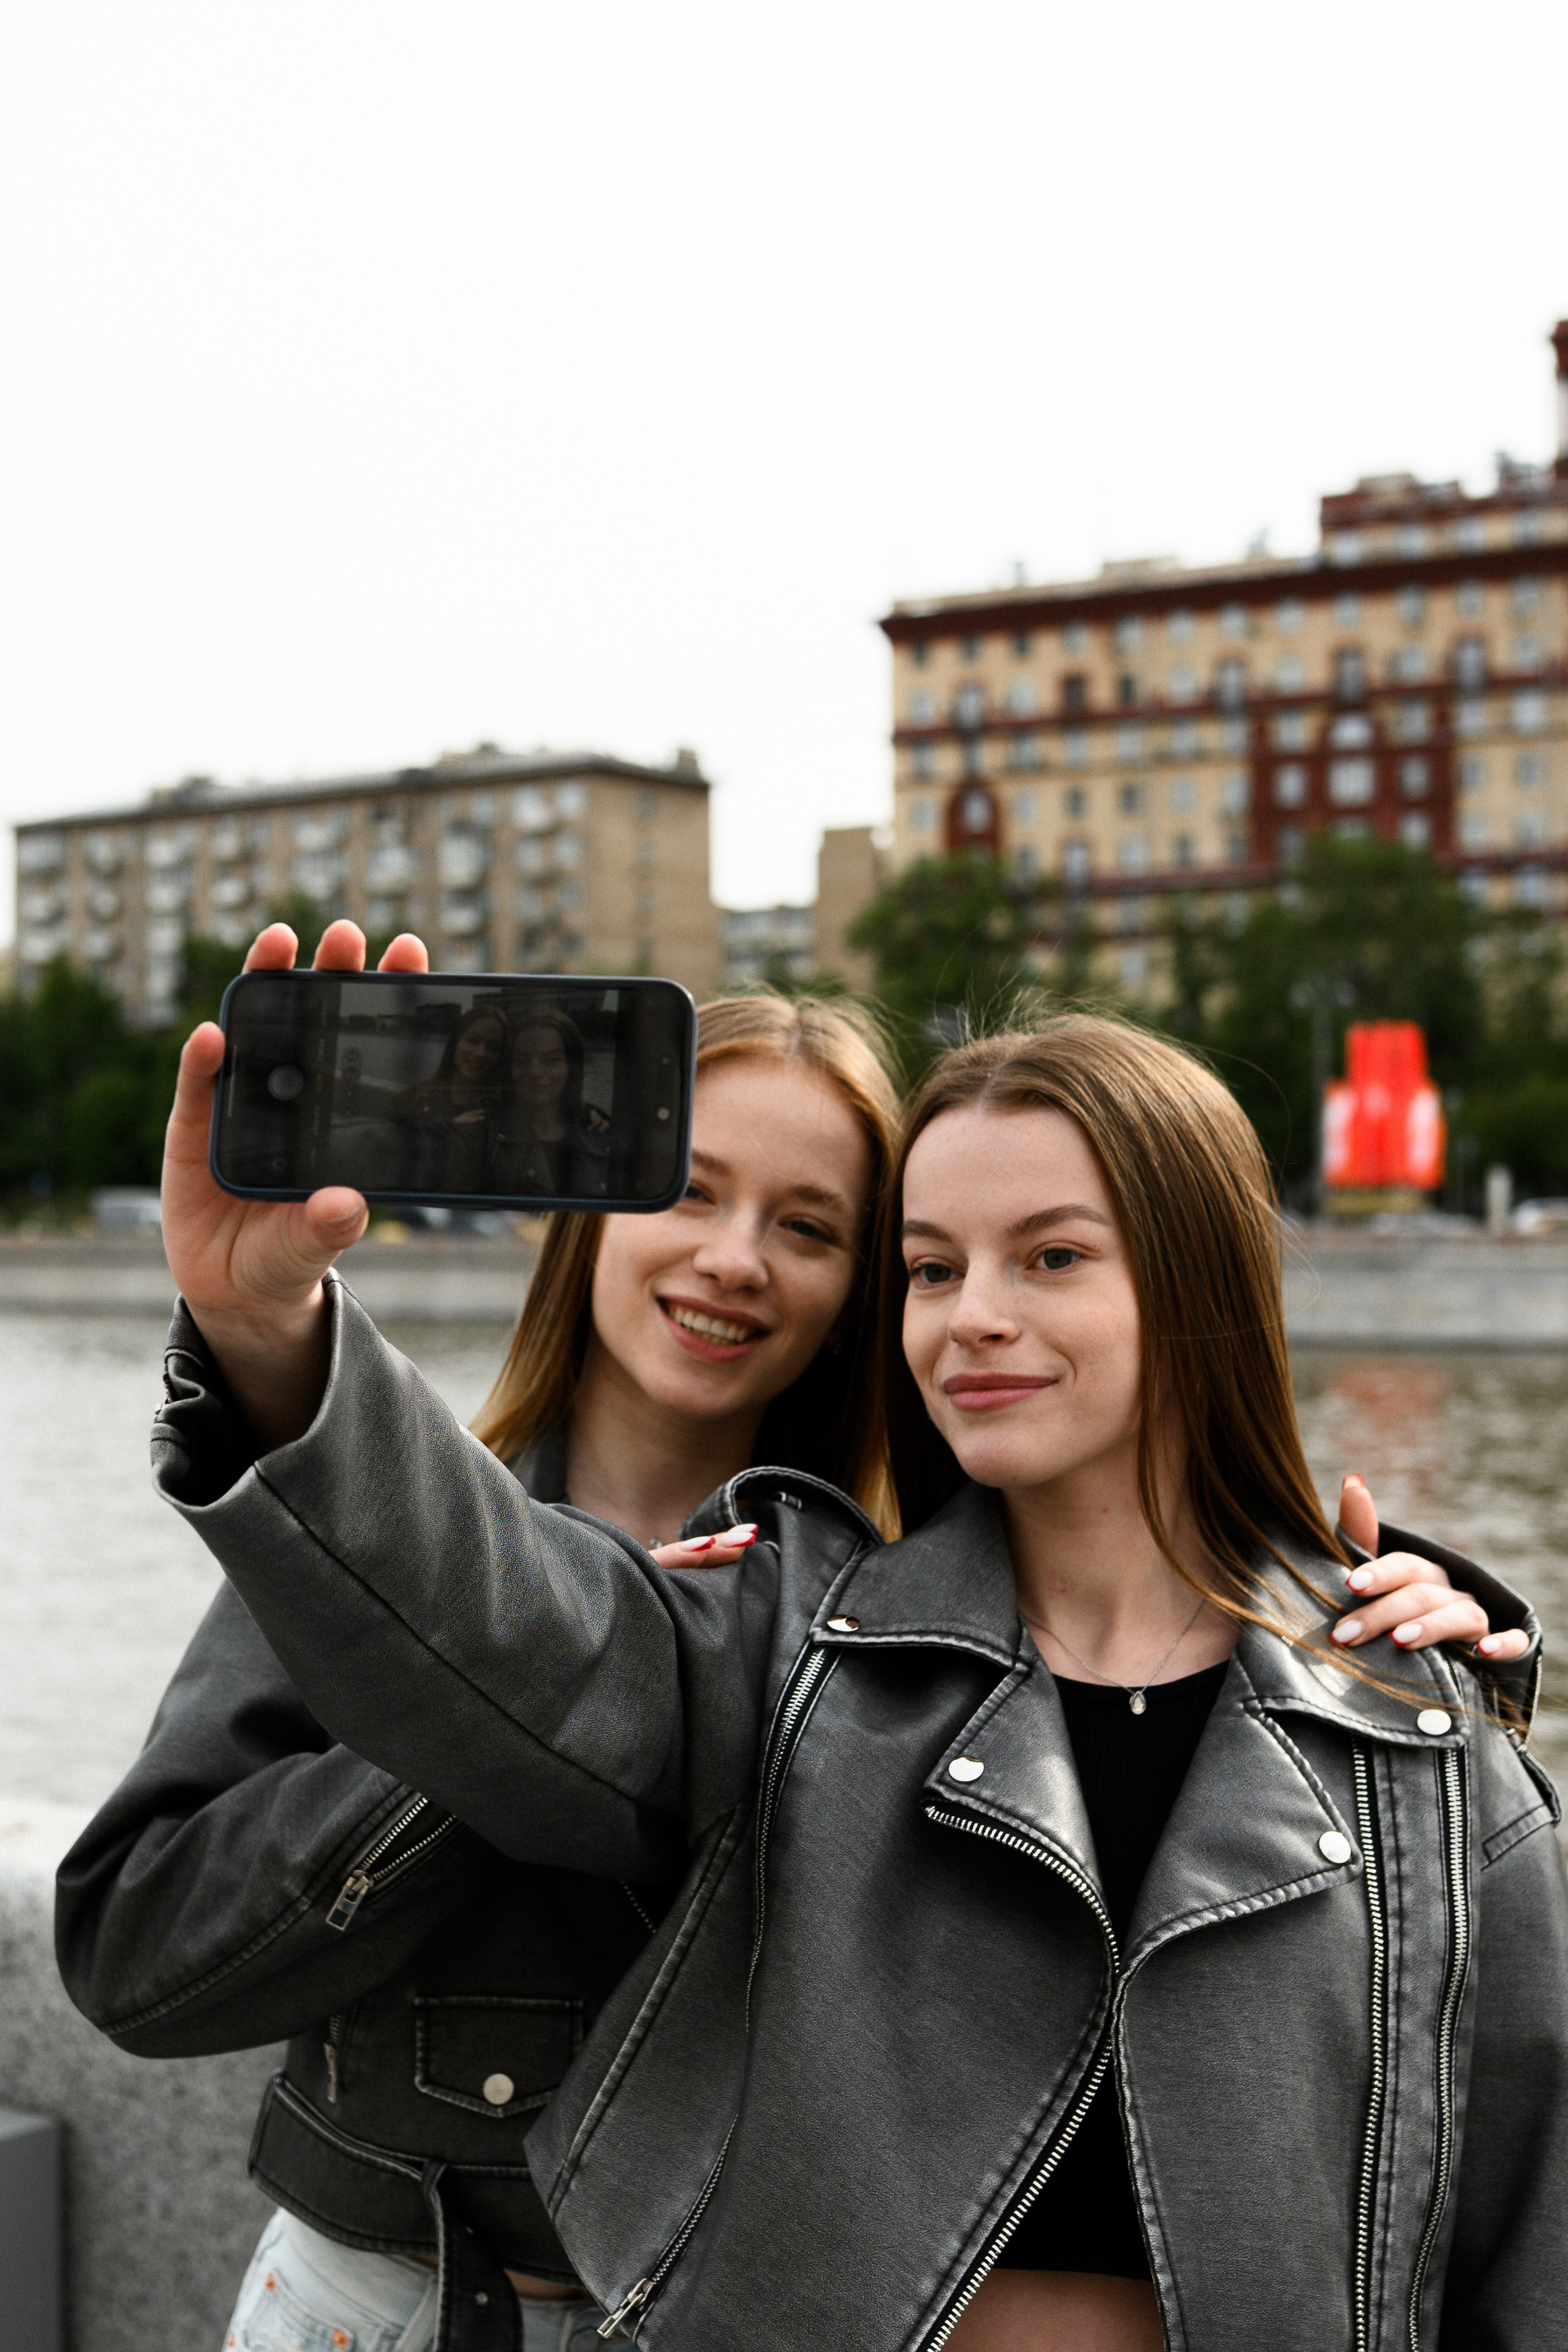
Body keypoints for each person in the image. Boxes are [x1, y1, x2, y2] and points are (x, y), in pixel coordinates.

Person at [111, 992, 1554, 2351]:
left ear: (1195, 1284)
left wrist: (1425, 1652)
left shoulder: (1407, 1725)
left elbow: (1525, 2234)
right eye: (931, 1267)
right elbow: (498, 1620)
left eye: (1048, 1254)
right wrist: (270, 1328)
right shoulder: (790, 1634)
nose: (971, 1312)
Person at [55, 918, 900, 2352]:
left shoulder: (885, 1609)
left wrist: (1397, 1598)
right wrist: (470, 1692)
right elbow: (136, 1946)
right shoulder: (356, 1534)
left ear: (855, 1298)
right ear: (587, 1209)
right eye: (684, 1188)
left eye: (808, 1226)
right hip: (370, 2312)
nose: (734, 1257)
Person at [487, 1009, 612, 1200]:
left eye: (551, 1061)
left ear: (572, 1067)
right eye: (521, 1061)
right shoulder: (484, 1132)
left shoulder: (601, 1133)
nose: (535, 1072)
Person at [398, 1000, 510, 1194]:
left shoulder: (502, 1114)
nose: (480, 1053)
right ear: (456, 1042)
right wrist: (448, 1129)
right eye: (473, 1040)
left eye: (492, 1047)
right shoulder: (414, 1099)